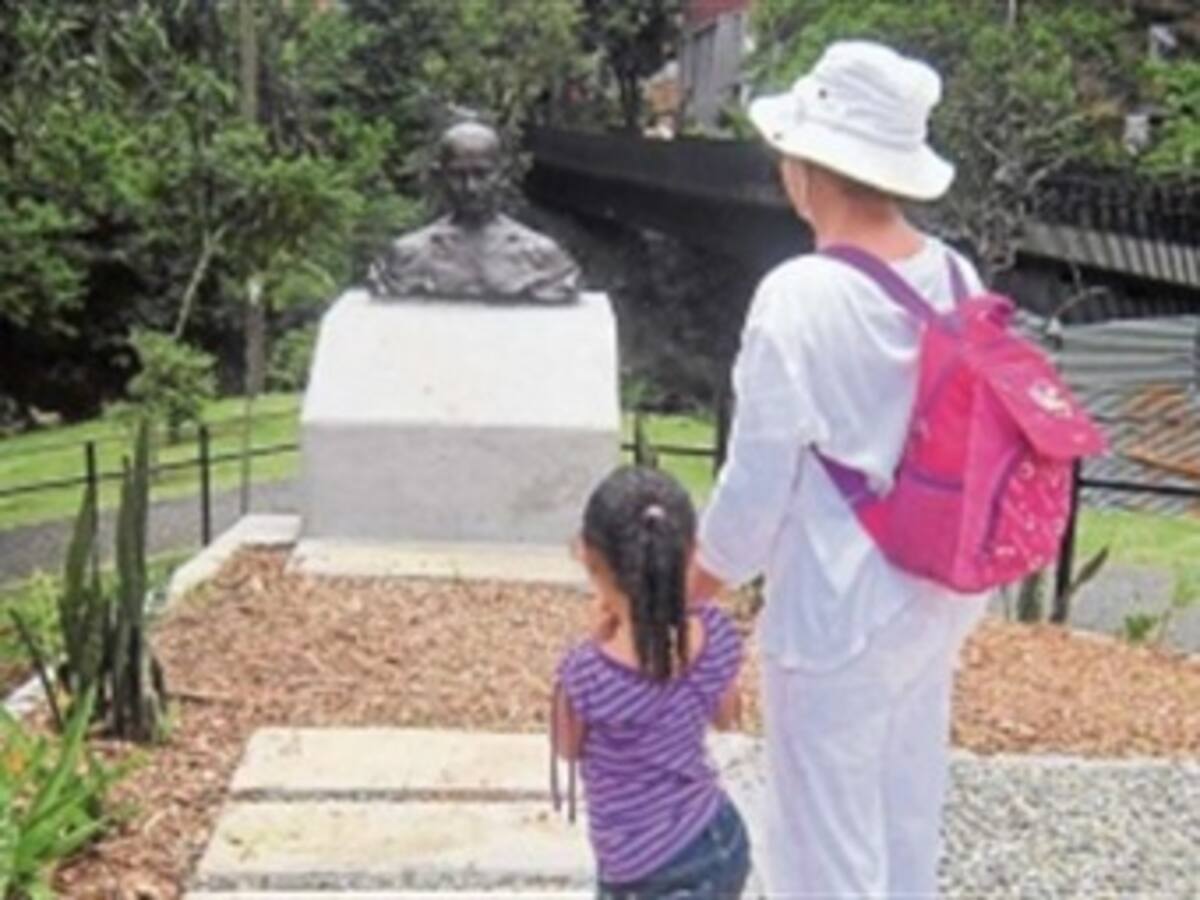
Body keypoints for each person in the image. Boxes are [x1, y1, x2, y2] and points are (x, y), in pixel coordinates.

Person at [688, 41, 990, 896]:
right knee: (903, 812)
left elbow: (756, 485)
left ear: (807, 167)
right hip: (935, 587)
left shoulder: (800, 294)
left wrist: (693, 585)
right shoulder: (956, 274)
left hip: (838, 601)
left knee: (823, 844)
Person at [552, 466, 750, 899]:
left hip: (642, 873)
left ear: (589, 558)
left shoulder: (585, 674)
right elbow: (727, 717)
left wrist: (595, 639)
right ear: (691, 551)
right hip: (719, 838)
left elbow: (567, 748)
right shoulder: (715, 632)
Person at [369, 119, 580, 303]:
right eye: (457, 175)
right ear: (439, 175)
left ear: (502, 174)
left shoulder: (542, 258)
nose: (470, 187)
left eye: (482, 174)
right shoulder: (408, 256)